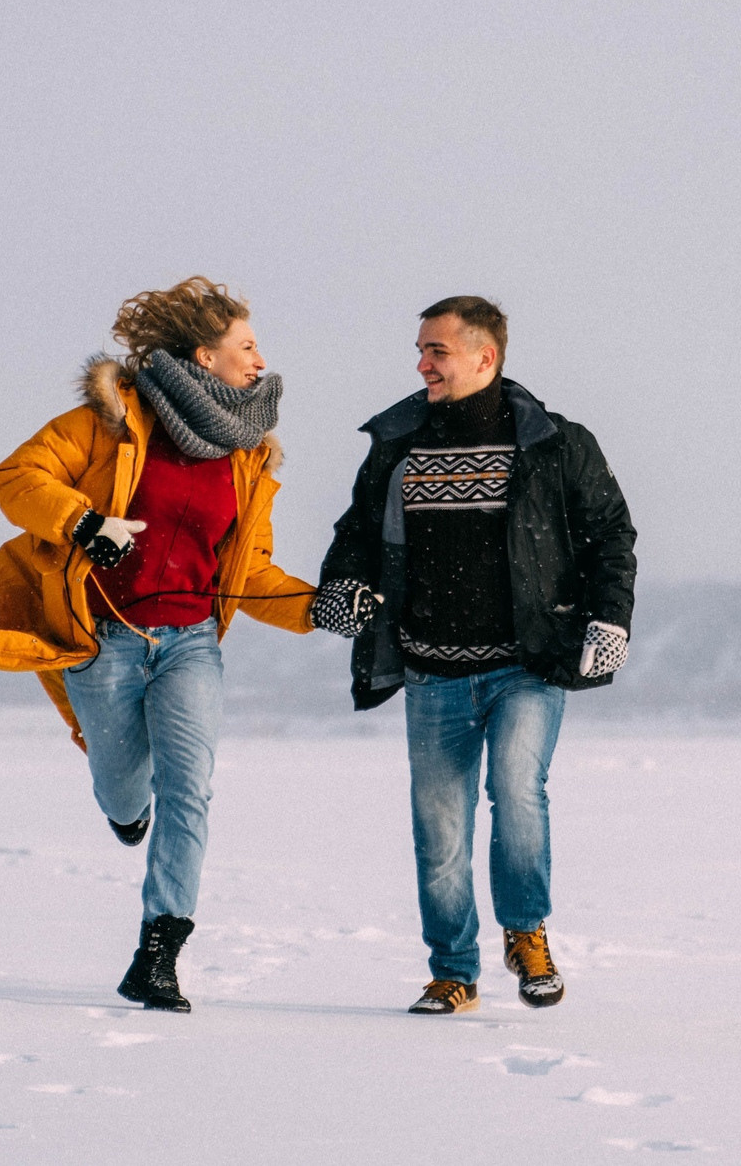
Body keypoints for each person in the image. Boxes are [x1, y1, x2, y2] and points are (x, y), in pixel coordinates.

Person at [0, 277, 316, 1013]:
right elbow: (17, 477)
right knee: (124, 785)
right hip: (106, 640)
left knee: (190, 790)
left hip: (192, 645)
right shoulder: (108, 422)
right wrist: (83, 523)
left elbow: (252, 571)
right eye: (246, 345)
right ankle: (121, 807)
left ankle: (158, 951)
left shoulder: (247, 457)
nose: (260, 358)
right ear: (205, 355)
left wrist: (318, 608)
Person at [310, 296, 637, 1015]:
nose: (422, 363)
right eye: (422, 350)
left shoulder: (557, 443)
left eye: (437, 350)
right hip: (431, 670)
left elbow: (611, 533)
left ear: (485, 357)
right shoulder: (399, 442)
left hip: (528, 663)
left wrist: (609, 619)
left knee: (517, 790)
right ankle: (454, 972)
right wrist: (342, 586)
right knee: (440, 828)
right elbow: (358, 531)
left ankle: (526, 933)